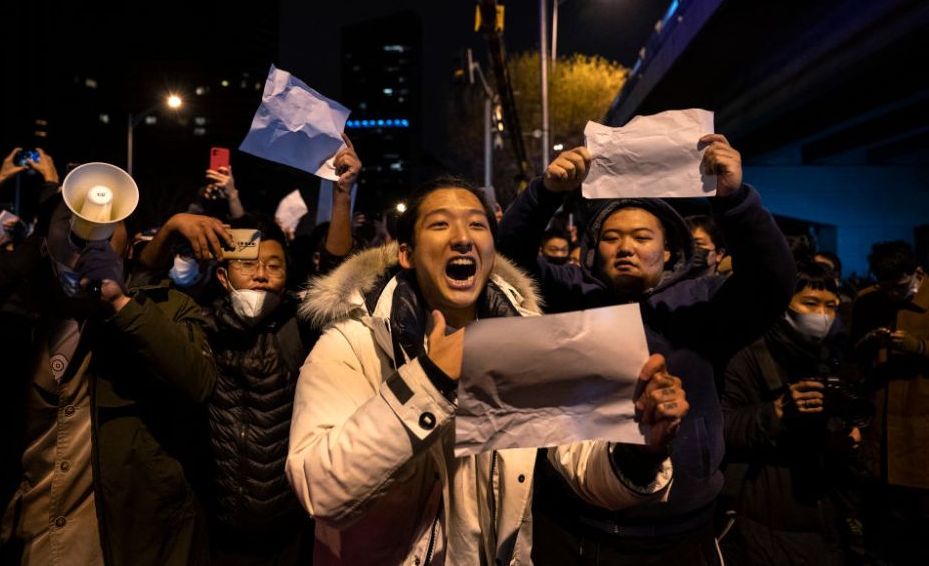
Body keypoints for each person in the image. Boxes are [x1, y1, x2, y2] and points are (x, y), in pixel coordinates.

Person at [287, 176, 689, 566]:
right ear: (406, 253)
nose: (463, 237)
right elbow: (321, 491)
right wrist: (431, 381)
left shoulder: (525, 343)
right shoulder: (352, 344)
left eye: (477, 224)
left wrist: (642, 447)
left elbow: (581, 463)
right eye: (441, 223)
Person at [497, 135, 795, 565]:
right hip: (578, 528)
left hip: (684, 530)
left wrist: (733, 200)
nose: (626, 248)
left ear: (669, 249)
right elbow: (506, 265)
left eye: (641, 236)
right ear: (594, 251)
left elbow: (772, 283)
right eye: (612, 238)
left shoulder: (704, 303)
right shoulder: (568, 296)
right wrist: (545, 194)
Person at [0, 162, 217, 565]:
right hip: (25, 543)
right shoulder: (11, 325)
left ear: (128, 243)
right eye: (70, 221)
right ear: (45, 243)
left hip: (114, 546)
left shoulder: (163, 310)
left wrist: (120, 303)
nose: (89, 237)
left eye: (110, 225)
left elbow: (198, 382)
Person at [201, 140, 360, 565]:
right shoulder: (199, 328)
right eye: (249, 266)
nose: (260, 276)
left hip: (290, 528)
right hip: (216, 529)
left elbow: (336, 277)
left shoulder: (299, 325)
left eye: (274, 267)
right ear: (222, 277)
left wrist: (342, 193)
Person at [720, 262, 862, 565]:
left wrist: (845, 435)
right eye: (810, 304)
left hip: (822, 513)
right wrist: (777, 412)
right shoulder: (746, 356)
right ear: (782, 303)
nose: (821, 316)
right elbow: (721, 428)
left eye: (831, 306)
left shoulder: (829, 359)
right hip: (763, 514)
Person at [851, 240, 929, 566]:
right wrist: (867, 344)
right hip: (879, 431)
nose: (894, 296)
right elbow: (851, 360)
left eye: (900, 287)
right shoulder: (868, 302)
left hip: (921, 432)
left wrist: (920, 347)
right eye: (886, 289)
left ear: (918, 273)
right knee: (881, 529)